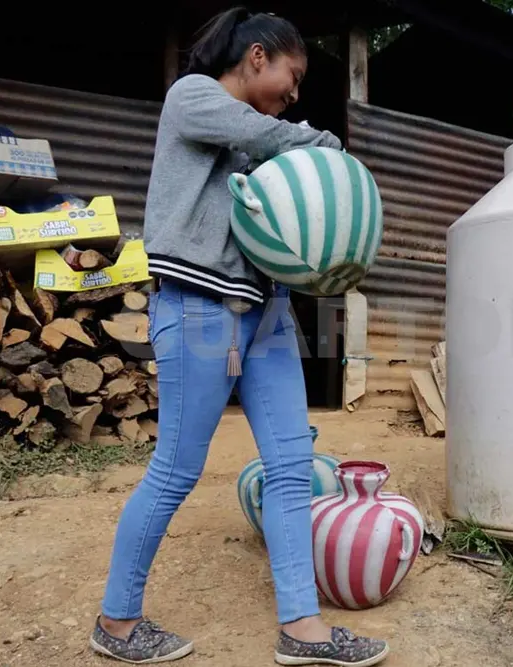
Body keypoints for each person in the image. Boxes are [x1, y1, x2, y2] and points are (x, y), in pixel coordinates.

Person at [89, 8, 390, 666]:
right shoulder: (195, 98)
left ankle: (302, 631)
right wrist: (325, 146)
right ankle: (116, 620)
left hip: (267, 312)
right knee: (174, 471)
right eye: (293, 72)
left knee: (288, 468)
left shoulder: (262, 142)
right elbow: (276, 139)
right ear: (257, 57)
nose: (295, 89)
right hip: (199, 309)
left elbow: (290, 210)